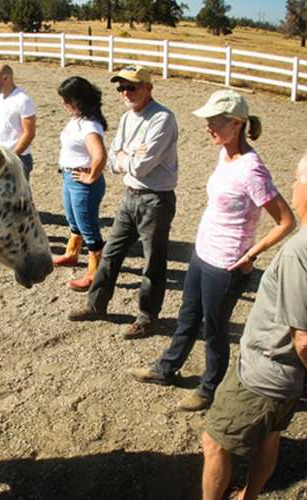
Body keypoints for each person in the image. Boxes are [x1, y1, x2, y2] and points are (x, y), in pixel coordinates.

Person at [201, 144, 307, 500]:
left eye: (298, 179)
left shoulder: (303, 249)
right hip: (291, 379)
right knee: (270, 436)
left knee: (214, 443)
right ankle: (248, 497)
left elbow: (302, 335)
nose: (294, 187)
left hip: (263, 374)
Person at [127, 90, 296, 411]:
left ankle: (209, 388)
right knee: (187, 317)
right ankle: (166, 369)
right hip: (203, 254)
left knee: (215, 330)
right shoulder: (225, 155)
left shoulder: (252, 169)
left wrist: (251, 254)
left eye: (214, 122)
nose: (208, 127)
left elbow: (287, 221)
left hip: (228, 265)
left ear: (236, 123)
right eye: (207, 121)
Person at [67, 65, 178, 340]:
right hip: (131, 196)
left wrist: (124, 157)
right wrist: (128, 157)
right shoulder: (128, 117)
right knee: (112, 253)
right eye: (121, 88)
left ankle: (147, 318)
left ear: (148, 88)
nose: (126, 93)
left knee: (153, 262)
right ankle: (96, 306)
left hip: (155, 199)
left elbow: (140, 165)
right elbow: (114, 159)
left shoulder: (162, 119)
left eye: (132, 87)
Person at [53, 76, 108, 290]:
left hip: (81, 182)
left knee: (89, 227)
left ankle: (95, 272)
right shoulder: (78, 118)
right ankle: (72, 253)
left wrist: (91, 176)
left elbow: (100, 155)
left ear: (78, 100)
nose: (63, 104)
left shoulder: (89, 125)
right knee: (73, 220)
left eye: (66, 100)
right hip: (70, 177)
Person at [0, 64, 36, 180]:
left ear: (5, 79)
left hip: (18, 158)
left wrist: (12, 155)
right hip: (0, 155)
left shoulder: (23, 100)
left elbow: (29, 133)